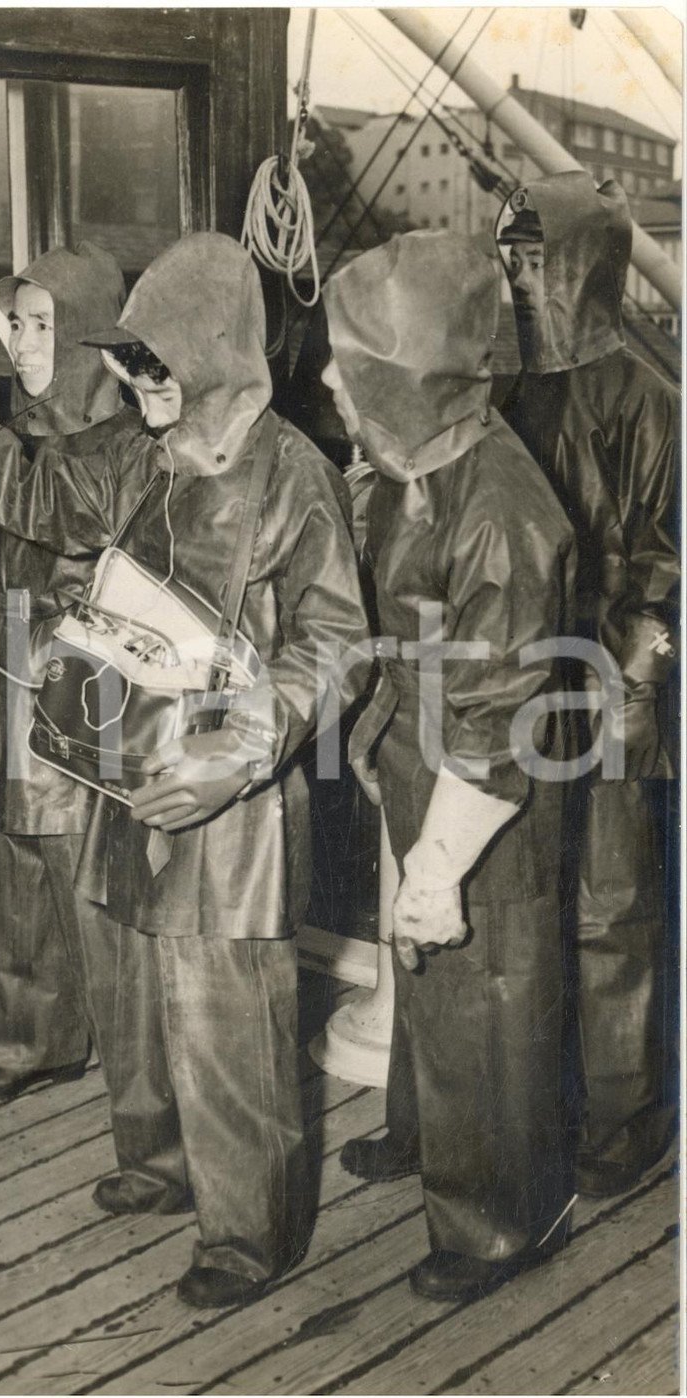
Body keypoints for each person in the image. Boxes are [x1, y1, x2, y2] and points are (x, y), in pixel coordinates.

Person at [0, 231, 371, 1309]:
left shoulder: (296, 479)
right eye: (127, 363)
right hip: (122, 768)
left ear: (218, 353)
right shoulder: (137, 456)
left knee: (229, 1014)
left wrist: (238, 752)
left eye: (154, 363)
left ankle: (248, 1232)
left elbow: (334, 646)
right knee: (134, 987)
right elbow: (32, 490)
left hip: (227, 797)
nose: (135, 384)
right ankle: (160, 1161)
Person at [322, 231, 576, 1303]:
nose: (329, 378)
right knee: (432, 975)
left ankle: (502, 1219)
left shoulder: (503, 513)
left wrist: (437, 863)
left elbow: (492, 723)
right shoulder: (417, 465)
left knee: (489, 987)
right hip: (423, 742)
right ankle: (426, 1131)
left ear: (413, 376)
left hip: (491, 775)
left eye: (354, 362)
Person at [497, 171, 680, 1198]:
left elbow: (668, 566)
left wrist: (637, 675)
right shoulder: (508, 386)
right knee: (536, 903)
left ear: (581, 266)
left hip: (615, 685)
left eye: (533, 257)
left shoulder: (652, 404)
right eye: (510, 257)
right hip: (529, 677)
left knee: (613, 913)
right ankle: (551, 1103)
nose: (517, 275)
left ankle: (627, 1122)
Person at [0, 244, 139, 1102]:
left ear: (92, 336)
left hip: (92, 675)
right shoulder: (12, 442)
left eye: (43, 324)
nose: (21, 343)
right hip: (14, 660)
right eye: (15, 323)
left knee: (86, 871)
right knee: (15, 856)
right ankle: (27, 1042)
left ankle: (135, 1068)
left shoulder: (127, 446)